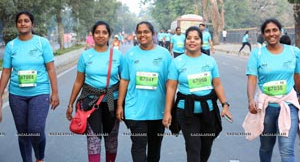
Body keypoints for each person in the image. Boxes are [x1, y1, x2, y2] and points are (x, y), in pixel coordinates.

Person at [162, 26, 232, 162]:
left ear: (201, 41)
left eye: (196, 38)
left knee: (206, 146)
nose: (192, 41)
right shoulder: (177, 62)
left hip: (208, 110)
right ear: (185, 41)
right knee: (193, 147)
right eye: (189, 38)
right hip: (186, 111)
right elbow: (171, 87)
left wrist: (225, 104)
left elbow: (217, 84)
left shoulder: (209, 61)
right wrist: (167, 112)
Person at [0, 10, 59, 162]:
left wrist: (55, 92)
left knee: (36, 129)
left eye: (26, 21)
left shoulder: (42, 43)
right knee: (23, 133)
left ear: (32, 24)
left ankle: (39, 157)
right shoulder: (11, 45)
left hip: (39, 92)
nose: (23, 23)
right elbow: (6, 72)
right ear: (16, 25)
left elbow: (51, 68)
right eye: (20, 21)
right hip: (17, 94)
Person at [243, 18, 300, 162]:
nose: (271, 34)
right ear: (263, 34)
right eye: (267, 31)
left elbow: (298, 77)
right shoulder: (257, 54)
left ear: (280, 32)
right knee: (266, 148)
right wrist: (251, 100)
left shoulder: (294, 52)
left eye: (275, 30)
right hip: (266, 108)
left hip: (288, 106)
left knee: (287, 150)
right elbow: (252, 79)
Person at [66, 21, 123, 162]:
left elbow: (124, 81)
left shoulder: (117, 56)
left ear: (109, 35)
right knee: (93, 141)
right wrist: (70, 103)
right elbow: (79, 81)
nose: (101, 35)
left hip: (112, 102)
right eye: (97, 32)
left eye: (104, 32)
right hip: (90, 103)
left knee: (111, 140)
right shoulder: (85, 56)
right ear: (93, 35)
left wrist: (122, 105)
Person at [116, 21, 172, 162]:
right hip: (135, 109)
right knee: (138, 144)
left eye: (146, 32)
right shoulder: (130, 54)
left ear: (153, 34)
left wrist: (168, 110)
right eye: (139, 32)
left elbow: (170, 84)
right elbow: (124, 80)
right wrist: (119, 105)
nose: (142, 35)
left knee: (155, 147)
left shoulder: (164, 54)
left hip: (157, 110)